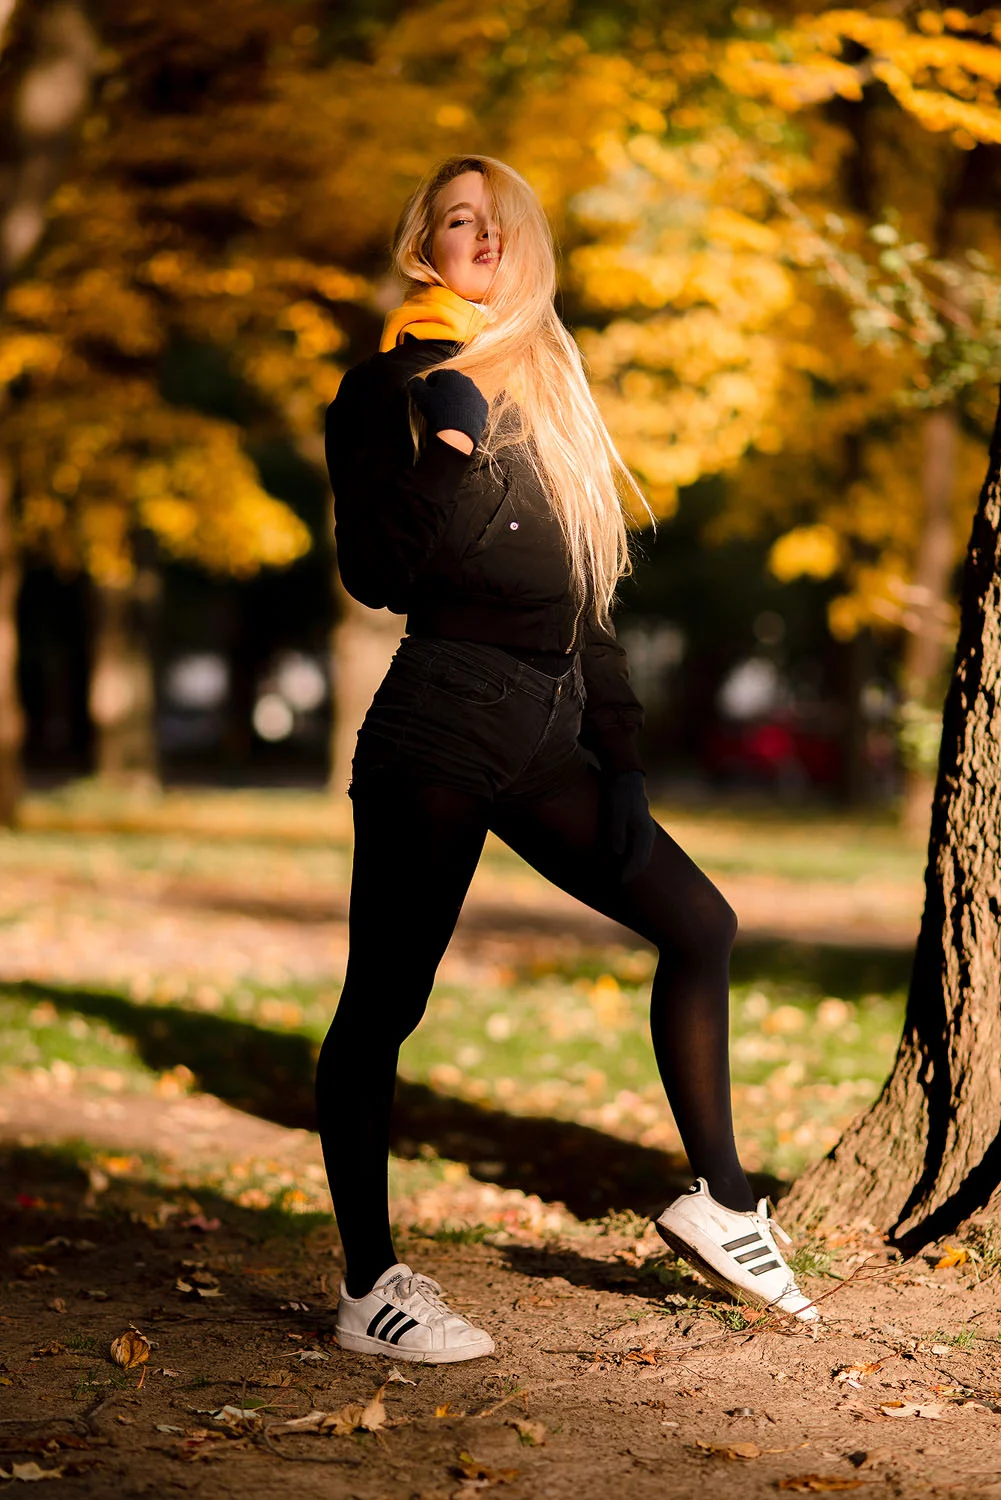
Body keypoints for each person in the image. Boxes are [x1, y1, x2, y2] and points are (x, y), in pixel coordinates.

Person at [319, 153, 818, 1364]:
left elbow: (585, 599)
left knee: (697, 924)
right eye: (457, 221)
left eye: (499, 221)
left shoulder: (550, 387)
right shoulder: (391, 386)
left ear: (528, 243)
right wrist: (446, 445)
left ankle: (721, 1201)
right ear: (425, 247)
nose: (481, 238)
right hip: (441, 717)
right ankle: (368, 1287)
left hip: (548, 734)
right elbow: (375, 571)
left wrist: (623, 756)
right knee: (385, 1002)